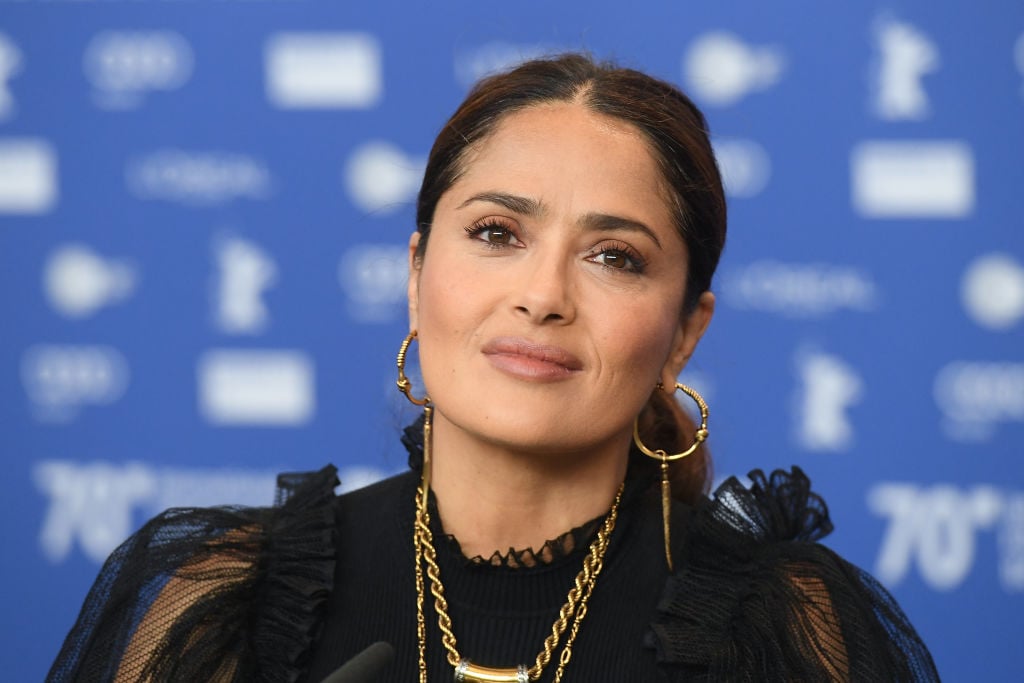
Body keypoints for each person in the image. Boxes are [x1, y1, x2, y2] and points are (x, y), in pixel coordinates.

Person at [48, 53, 939, 682]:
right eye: (496, 234)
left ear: (682, 334)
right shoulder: (226, 598)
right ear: (416, 272)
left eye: (614, 257)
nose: (543, 295)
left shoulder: (788, 628)